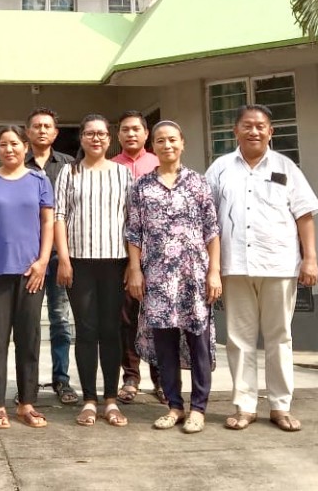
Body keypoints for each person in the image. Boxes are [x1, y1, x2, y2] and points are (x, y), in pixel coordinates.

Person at [205, 104, 318, 432]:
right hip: (235, 266)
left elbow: (304, 215)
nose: (254, 131)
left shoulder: (287, 167)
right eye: (247, 125)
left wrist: (309, 258)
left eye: (261, 126)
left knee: (279, 337)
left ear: (271, 132)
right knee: (239, 339)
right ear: (235, 131)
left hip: (279, 265)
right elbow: (207, 219)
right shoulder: (220, 168)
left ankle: (280, 406)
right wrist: (210, 267)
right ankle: (244, 406)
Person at [126, 120, 221, 434]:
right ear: (152, 145)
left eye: (172, 140)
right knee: (164, 344)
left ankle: (198, 408)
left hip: (193, 276)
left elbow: (212, 230)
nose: (166, 146)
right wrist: (136, 270)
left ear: (182, 143)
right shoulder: (141, 187)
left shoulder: (198, 182)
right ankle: (173, 406)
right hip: (157, 277)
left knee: (199, 342)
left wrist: (214, 272)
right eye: (160, 141)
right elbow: (134, 232)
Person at [0, 125, 54, 429]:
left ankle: (27, 403)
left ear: (25, 147)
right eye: (3, 144)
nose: (9, 149)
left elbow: (48, 222)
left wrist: (43, 261)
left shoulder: (39, 180)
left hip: (31, 272)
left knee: (29, 340)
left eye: (15, 144)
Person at [54, 115, 134, 427]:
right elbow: (59, 215)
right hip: (80, 262)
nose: (96, 139)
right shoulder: (68, 172)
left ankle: (111, 400)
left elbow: (132, 220)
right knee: (86, 331)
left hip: (115, 262)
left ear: (109, 138)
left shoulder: (122, 174)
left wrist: (132, 263)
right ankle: (89, 399)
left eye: (101, 133)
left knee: (111, 331)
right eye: (89, 133)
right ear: (81, 138)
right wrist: (63, 259)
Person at [24, 107, 78, 405]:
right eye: (36, 126)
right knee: (28, 323)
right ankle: (27, 382)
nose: (42, 130)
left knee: (60, 320)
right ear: (28, 131)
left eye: (48, 126)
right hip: (27, 257)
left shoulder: (70, 165)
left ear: (56, 133)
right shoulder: (19, 163)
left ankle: (62, 379)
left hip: (60, 255)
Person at [111, 110, 163, 404]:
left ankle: (160, 377)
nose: (131, 134)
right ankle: (130, 377)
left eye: (136, 130)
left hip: (158, 255)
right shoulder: (110, 166)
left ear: (146, 134)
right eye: (125, 130)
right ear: (118, 136)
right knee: (127, 318)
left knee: (158, 318)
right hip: (120, 253)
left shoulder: (159, 164)